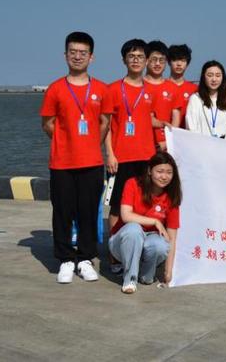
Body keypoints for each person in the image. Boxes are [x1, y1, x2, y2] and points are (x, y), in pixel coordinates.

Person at [40, 31, 111, 284]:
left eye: (83, 53)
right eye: (73, 52)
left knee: (88, 212)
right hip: (62, 162)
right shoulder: (55, 89)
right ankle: (66, 259)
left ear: (91, 57)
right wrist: (66, 140)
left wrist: (89, 143)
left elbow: (104, 123)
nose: (77, 57)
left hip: (92, 162)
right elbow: (47, 123)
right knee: (62, 211)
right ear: (65, 55)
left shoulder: (101, 89)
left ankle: (85, 258)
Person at [105, 39, 157, 253]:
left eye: (140, 57)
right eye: (131, 56)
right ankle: (114, 254)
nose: (136, 60)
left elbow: (150, 120)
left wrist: (169, 127)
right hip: (120, 158)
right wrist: (109, 154)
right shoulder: (112, 89)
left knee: (143, 204)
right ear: (124, 60)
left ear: (146, 61)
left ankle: (138, 248)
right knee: (117, 206)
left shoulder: (150, 90)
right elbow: (106, 126)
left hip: (146, 158)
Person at [108, 151, 182, 294]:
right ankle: (130, 279)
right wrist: (155, 221)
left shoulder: (172, 196)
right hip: (122, 242)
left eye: (169, 172)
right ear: (149, 171)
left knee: (161, 244)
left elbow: (172, 238)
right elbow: (126, 216)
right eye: (160, 171)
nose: (164, 176)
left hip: (149, 241)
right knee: (134, 229)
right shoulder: (132, 184)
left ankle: (146, 276)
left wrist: (168, 273)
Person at [186, 60, 226, 140]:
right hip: (201, 145)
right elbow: (191, 126)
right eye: (210, 75)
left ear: (223, 78)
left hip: (225, 146)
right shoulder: (196, 99)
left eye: (218, 75)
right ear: (203, 77)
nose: (214, 79)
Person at [144, 40, 179, 151]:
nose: (158, 64)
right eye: (154, 59)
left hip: (166, 145)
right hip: (143, 143)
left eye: (161, 60)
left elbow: (176, 118)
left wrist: (169, 141)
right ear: (146, 60)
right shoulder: (139, 85)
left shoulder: (173, 87)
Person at [166, 44, 198, 128]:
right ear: (169, 62)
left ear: (187, 64)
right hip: (165, 132)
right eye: (175, 60)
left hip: (187, 133)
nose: (179, 64)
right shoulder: (161, 86)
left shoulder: (195, 89)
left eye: (183, 60)